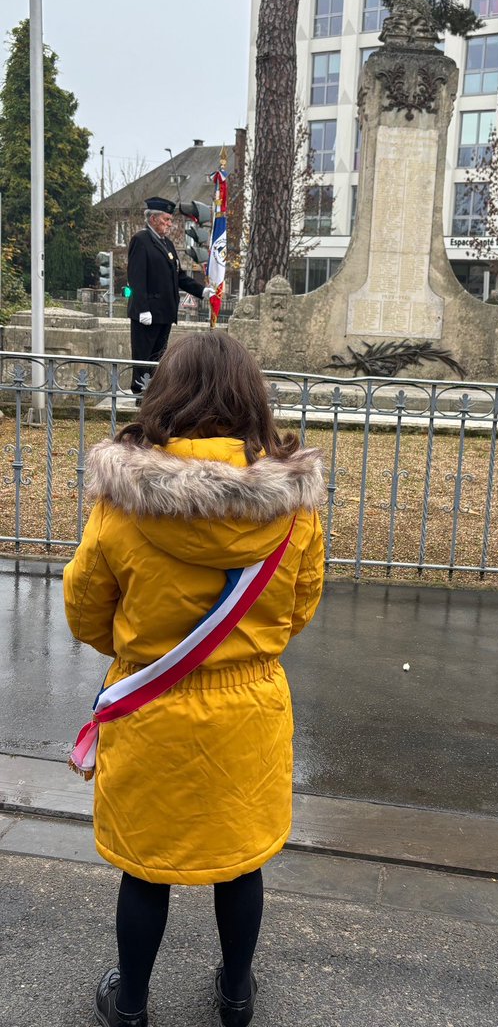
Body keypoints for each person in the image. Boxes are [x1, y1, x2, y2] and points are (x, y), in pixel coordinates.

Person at [63, 332, 325, 1027]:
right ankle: (235, 994)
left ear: (166, 394)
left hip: (152, 707)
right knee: (239, 863)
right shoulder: (293, 508)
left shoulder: (120, 505)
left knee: (146, 868)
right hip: (249, 708)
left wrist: (136, 653)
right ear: (252, 397)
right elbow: (299, 606)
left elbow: (86, 610)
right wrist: (247, 651)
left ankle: (133, 1003)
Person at [127, 196, 214, 399]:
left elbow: (179, 276)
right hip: (147, 313)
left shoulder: (167, 244)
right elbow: (137, 278)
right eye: (166, 219)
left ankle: (154, 394)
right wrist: (142, 309)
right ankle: (140, 393)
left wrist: (201, 291)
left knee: (159, 357)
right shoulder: (141, 241)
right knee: (144, 356)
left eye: (169, 220)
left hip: (164, 312)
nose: (169, 224)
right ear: (153, 219)